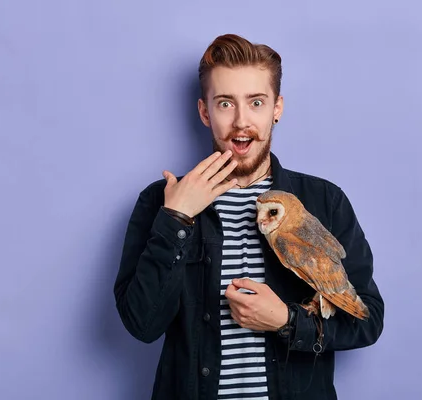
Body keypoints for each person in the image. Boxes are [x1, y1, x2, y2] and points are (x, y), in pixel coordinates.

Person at [114, 33, 384, 400]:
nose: (242, 121)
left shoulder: (324, 201)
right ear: (205, 111)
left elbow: (367, 321)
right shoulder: (159, 202)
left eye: (256, 102)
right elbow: (141, 324)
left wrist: (288, 322)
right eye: (226, 103)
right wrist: (176, 219)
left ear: (277, 108)